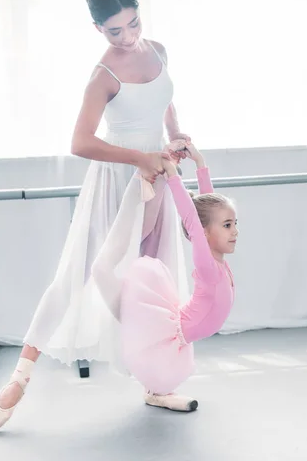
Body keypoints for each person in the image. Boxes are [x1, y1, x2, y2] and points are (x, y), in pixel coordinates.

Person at [0, 0, 191, 433]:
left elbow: (165, 102)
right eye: (116, 31)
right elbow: (80, 141)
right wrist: (139, 158)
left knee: (155, 276)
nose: (129, 36)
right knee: (75, 274)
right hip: (119, 180)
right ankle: (19, 378)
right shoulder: (104, 75)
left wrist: (174, 137)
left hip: (156, 175)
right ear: (98, 29)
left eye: (133, 23)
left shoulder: (158, 49)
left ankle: (154, 381)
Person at [90, 140, 237, 411]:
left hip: (183, 330)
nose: (235, 231)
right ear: (204, 233)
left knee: (163, 369)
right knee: (152, 354)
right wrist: (172, 176)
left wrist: (201, 163)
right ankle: (155, 390)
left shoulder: (217, 256)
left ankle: (156, 391)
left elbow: (207, 210)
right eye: (228, 226)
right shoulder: (207, 265)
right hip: (175, 330)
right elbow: (195, 220)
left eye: (234, 224)